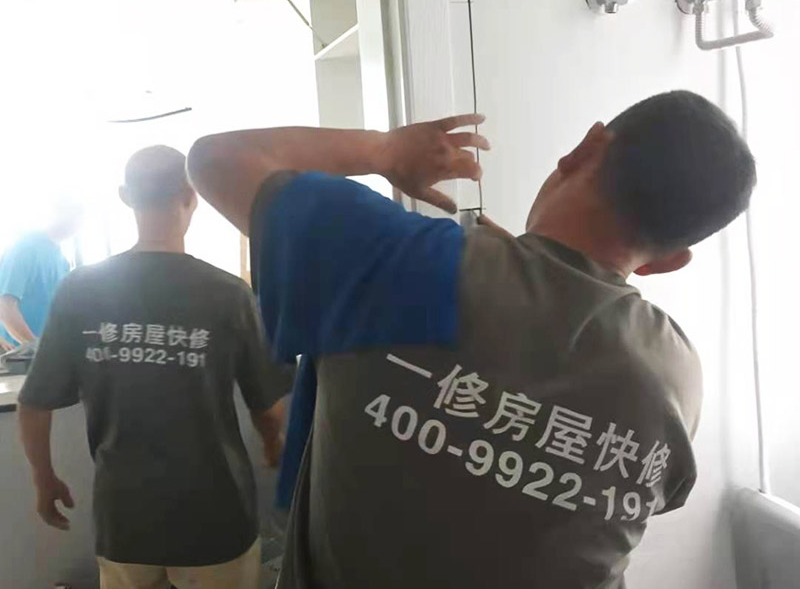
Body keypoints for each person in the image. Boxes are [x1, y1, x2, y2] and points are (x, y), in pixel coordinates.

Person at [186, 90, 756, 588]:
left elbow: (216, 159)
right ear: (669, 261)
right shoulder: (677, 373)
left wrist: (386, 150)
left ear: (584, 149)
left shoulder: (397, 260)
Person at [18, 146, 293, 589]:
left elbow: (34, 403)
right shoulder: (227, 293)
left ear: (125, 196)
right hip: (216, 514)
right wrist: (272, 443)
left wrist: (44, 479)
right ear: (192, 195)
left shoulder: (80, 290)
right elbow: (269, 407)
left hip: (124, 516)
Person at [0, 198, 81, 346]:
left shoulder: (62, 260)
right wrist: (34, 347)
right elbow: (5, 306)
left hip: (46, 350)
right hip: (18, 353)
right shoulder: (26, 248)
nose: (76, 221)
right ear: (55, 212)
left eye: (80, 216)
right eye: (72, 213)